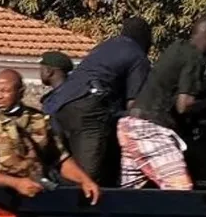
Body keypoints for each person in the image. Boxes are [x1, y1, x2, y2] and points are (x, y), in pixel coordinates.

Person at [118, 16, 206, 190]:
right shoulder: (195, 58)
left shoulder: (177, 48)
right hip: (150, 130)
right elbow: (183, 106)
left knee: (130, 197)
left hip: (131, 126)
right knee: (180, 190)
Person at [0, 69, 101, 204]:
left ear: (20, 92)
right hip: (3, 199)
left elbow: (59, 158)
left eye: (5, 91)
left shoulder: (38, 120)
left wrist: (84, 180)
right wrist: (16, 183)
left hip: (38, 196)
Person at [50, 17, 154, 183]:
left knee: (64, 163)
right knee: (87, 178)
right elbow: (134, 105)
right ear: (146, 38)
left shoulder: (105, 47)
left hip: (60, 106)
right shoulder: (138, 55)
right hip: (88, 109)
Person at [38, 50, 73, 118]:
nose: (40, 73)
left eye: (42, 70)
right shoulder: (73, 92)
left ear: (49, 71)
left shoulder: (59, 98)